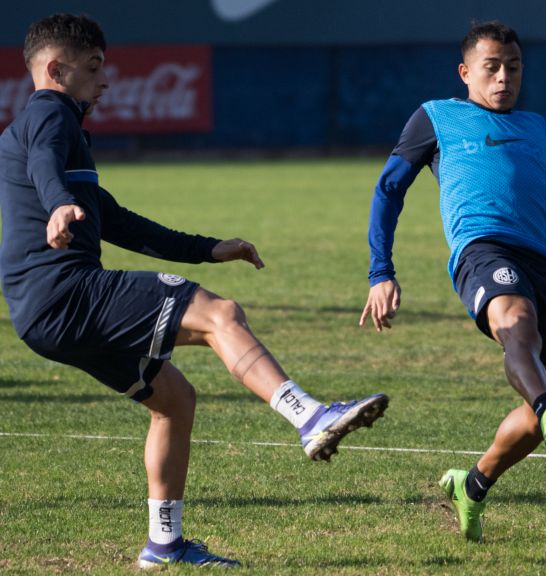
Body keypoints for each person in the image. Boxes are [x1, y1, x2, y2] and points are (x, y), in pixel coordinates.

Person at [0, 14, 389, 569]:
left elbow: (124, 225)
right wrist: (59, 201)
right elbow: (44, 166)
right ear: (56, 70)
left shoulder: (62, 139)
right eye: (93, 68)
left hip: (44, 316)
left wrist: (209, 248)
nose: (104, 82)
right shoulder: (48, 114)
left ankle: (164, 544)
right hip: (65, 293)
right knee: (220, 313)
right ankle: (311, 417)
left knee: (175, 401)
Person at [360, 20, 546, 543]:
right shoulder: (438, 117)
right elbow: (388, 189)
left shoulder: (536, 128)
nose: (504, 77)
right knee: (515, 322)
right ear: (466, 73)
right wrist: (380, 271)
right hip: (484, 251)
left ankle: (473, 484)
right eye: (492, 67)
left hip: (545, 267)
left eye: (514, 67)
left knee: (535, 410)